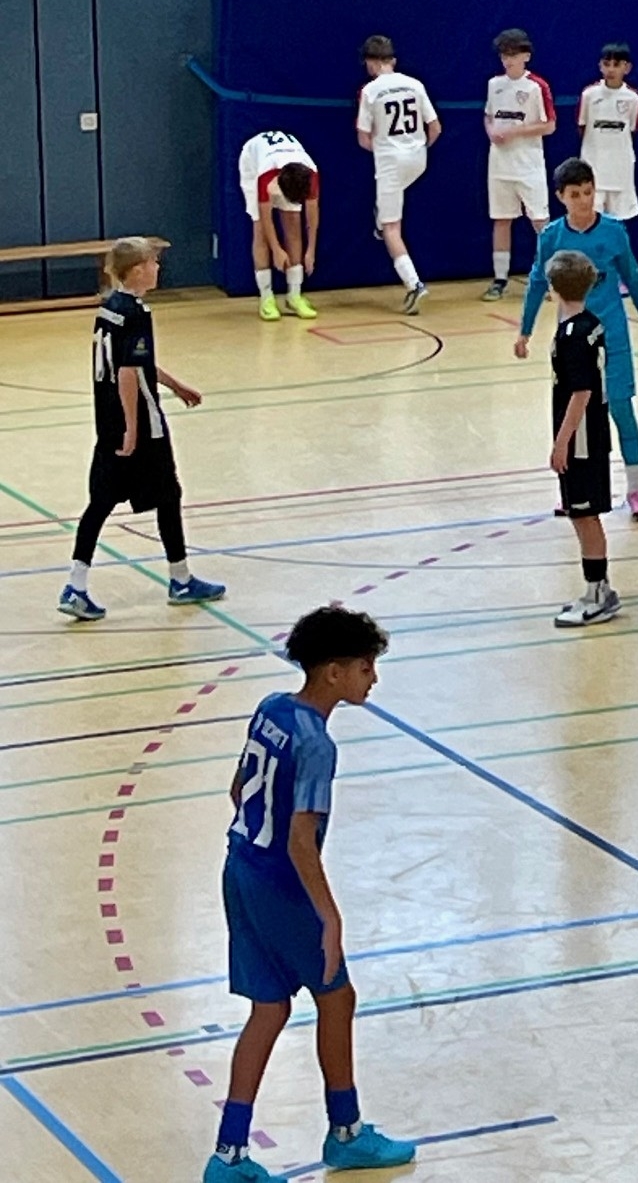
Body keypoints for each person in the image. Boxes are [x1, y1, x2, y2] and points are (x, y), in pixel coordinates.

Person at [203, 605, 415, 1181]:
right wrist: (329, 916)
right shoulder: (318, 744)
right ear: (333, 672)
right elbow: (301, 842)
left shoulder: (271, 707)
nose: (374, 678)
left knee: (269, 1009)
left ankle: (228, 1156)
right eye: (366, 667)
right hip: (280, 883)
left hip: (239, 867)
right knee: (336, 998)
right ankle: (345, 1134)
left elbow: (238, 789)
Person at [57, 238, 225, 622]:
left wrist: (175, 384)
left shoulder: (108, 309)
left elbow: (136, 362)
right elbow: (129, 373)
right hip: (142, 425)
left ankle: (75, 585)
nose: (157, 269)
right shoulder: (135, 313)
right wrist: (133, 428)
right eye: (152, 263)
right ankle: (181, 580)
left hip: (106, 422)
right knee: (169, 494)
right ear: (136, 270)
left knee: (100, 503)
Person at [516, 158, 638, 520]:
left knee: (621, 409)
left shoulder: (613, 231)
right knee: (574, 413)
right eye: (575, 195)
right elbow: (536, 282)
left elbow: (632, 275)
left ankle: (636, 489)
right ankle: (573, 491)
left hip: (611, 336)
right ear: (560, 197)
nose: (584, 201)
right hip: (573, 342)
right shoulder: (552, 237)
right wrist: (525, 330)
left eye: (588, 192)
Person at [535, 251, 620, 627]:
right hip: (591, 433)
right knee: (581, 514)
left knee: (584, 515)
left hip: (581, 438)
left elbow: (581, 391)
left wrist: (561, 442)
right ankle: (597, 588)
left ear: (553, 288)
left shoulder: (573, 336)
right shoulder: (589, 323)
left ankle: (598, 593)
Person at [356, 34, 440, 313]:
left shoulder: (370, 91)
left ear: (371, 62)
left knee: (391, 228)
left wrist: (384, 150)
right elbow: (435, 127)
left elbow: (363, 137)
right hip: (418, 159)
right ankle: (381, 212)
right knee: (389, 205)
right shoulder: (415, 84)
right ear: (392, 59)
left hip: (390, 163)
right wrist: (417, 148)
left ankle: (414, 285)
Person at [482, 28, 556, 301]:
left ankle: (550, 279)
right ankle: (500, 279)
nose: (508, 60)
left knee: (540, 222)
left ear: (526, 56)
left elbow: (549, 125)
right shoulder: (494, 84)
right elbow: (489, 115)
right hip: (499, 165)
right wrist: (491, 130)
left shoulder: (537, 86)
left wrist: (516, 132)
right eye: (504, 55)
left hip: (528, 165)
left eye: (513, 55)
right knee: (501, 220)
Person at [237, 130, 319, 321]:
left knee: (293, 226)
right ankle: (266, 297)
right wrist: (276, 250)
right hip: (253, 162)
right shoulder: (266, 175)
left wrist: (311, 250)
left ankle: (294, 295)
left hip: (285, 164)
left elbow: (312, 215)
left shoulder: (311, 174)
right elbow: (265, 217)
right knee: (260, 231)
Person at [578, 42, 638, 221]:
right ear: (600, 66)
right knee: (591, 218)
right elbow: (582, 126)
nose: (611, 69)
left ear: (627, 67)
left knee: (619, 220)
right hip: (593, 166)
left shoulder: (633, 98)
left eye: (617, 64)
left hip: (620, 169)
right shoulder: (589, 95)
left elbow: (632, 129)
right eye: (607, 64)